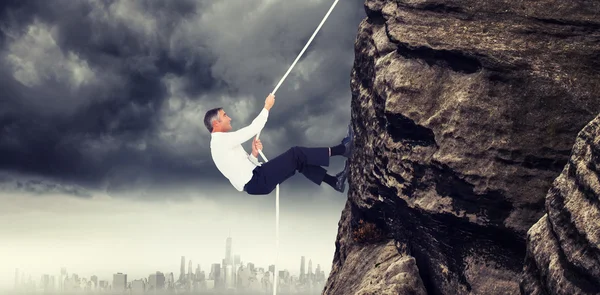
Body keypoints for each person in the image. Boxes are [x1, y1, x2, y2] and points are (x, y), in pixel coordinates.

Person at [204, 93, 354, 195]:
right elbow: (253, 129)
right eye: (225, 116)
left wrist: (254, 155)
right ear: (216, 123)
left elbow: (241, 169)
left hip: (255, 181)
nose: (229, 118)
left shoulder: (220, 143)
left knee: (299, 162)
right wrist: (267, 107)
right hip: (257, 180)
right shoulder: (220, 141)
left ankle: (335, 182)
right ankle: (342, 149)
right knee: (296, 153)